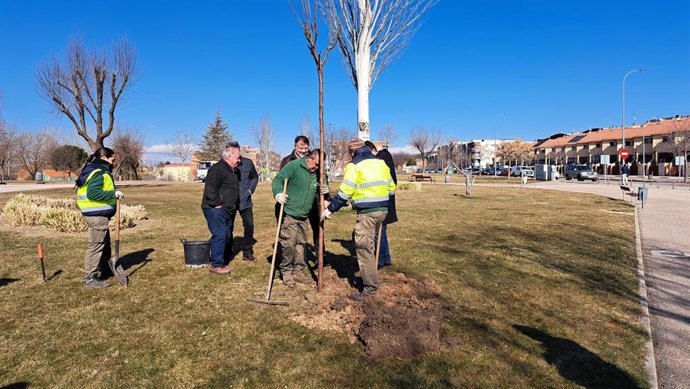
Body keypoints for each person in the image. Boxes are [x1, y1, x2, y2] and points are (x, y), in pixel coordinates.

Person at [322, 139, 396, 301]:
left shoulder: (354, 166)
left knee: (364, 250)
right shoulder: (381, 163)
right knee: (369, 246)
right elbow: (392, 188)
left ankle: (370, 288)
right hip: (383, 210)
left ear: (352, 152)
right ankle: (372, 279)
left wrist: (329, 210)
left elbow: (344, 193)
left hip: (367, 213)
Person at [75, 147, 124, 288]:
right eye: (112, 160)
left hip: (96, 215)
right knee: (96, 245)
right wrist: (113, 194)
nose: (113, 163)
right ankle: (89, 278)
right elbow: (93, 194)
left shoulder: (92, 170)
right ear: (104, 159)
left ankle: (105, 268)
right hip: (96, 216)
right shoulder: (98, 173)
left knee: (104, 243)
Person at [272, 149, 321, 287]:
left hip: (304, 215)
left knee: (301, 243)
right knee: (289, 243)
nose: (316, 168)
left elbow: (324, 185)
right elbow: (278, 180)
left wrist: (326, 193)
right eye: (315, 165)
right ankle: (286, 272)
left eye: (319, 166)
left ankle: (298, 270)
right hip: (289, 213)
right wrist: (278, 193)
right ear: (309, 159)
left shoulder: (318, 172)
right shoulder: (294, 166)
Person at [278, 135, 329, 258]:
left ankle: (320, 255)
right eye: (301, 148)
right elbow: (280, 180)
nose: (303, 150)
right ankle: (294, 258)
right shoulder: (288, 161)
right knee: (293, 233)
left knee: (317, 229)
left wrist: (326, 194)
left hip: (313, 202)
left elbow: (322, 180)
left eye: (305, 148)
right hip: (294, 203)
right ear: (295, 146)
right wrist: (281, 194)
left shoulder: (316, 160)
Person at [201, 143, 241, 275]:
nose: (239, 160)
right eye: (237, 158)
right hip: (215, 209)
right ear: (229, 157)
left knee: (227, 235)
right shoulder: (217, 169)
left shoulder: (232, 170)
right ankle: (216, 265)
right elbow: (210, 189)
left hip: (227, 210)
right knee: (220, 235)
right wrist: (217, 204)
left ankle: (221, 259)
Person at [365, 141, 397, 269]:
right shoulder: (384, 157)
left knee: (379, 231)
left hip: (382, 200)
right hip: (384, 199)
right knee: (381, 230)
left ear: (373, 150)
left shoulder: (381, 160)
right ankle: (385, 257)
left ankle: (380, 259)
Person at [232, 142, 259, 262]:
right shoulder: (225, 163)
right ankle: (227, 250)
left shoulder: (248, 163)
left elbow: (255, 177)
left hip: (245, 200)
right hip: (230, 201)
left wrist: (250, 190)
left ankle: (247, 252)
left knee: (249, 225)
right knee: (227, 226)